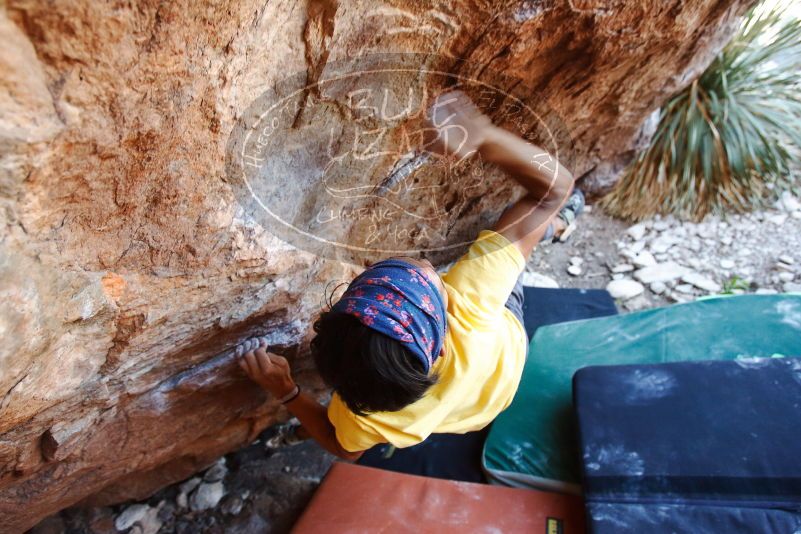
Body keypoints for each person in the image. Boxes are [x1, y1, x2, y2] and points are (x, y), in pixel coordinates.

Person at [238, 90, 580, 461]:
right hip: (503, 349)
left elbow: (343, 447)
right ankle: (555, 227)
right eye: (426, 281)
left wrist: (288, 390)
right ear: (444, 342)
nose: (423, 265)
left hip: (473, 409)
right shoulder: (470, 307)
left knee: (512, 245)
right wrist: (485, 137)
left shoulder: (366, 414)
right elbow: (553, 190)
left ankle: (548, 229)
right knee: (523, 233)